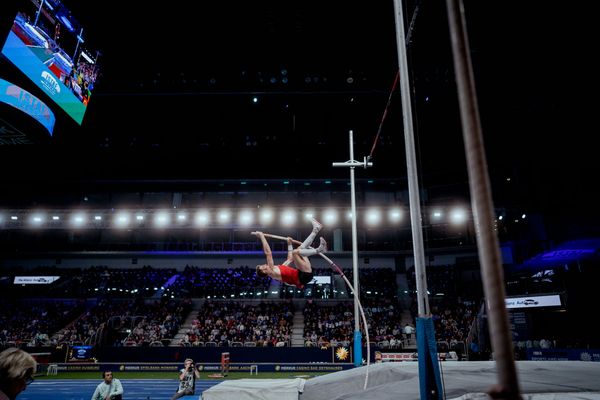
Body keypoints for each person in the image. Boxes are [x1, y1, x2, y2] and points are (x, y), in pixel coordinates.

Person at [254, 218, 327, 289]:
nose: (264, 264)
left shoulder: (278, 268)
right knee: (295, 252)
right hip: (304, 276)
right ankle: (319, 250)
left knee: (299, 249)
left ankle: (316, 229)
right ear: (263, 271)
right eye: (262, 266)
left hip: (303, 274)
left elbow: (289, 259)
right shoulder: (272, 272)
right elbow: (268, 253)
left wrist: (289, 244)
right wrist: (262, 237)